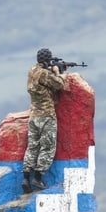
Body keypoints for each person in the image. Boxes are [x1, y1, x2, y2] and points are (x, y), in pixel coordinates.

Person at [21, 47, 67, 193]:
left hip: (34, 116)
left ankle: (26, 178)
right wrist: (57, 71)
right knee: (47, 147)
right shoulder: (44, 74)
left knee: (32, 147)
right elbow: (60, 84)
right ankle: (38, 177)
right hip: (46, 115)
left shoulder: (32, 70)